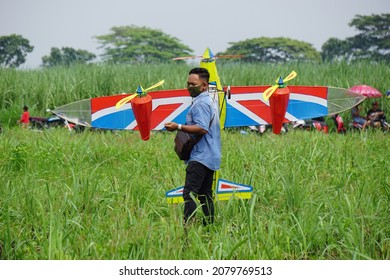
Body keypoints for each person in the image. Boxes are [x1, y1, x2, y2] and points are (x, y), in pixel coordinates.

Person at [165, 67, 221, 226]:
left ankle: (187, 228)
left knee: (188, 194)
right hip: (211, 156)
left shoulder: (201, 104)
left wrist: (178, 127)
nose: (189, 86)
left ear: (204, 86)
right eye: (188, 83)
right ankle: (209, 227)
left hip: (200, 157)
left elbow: (202, 128)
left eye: (193, 84)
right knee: (205, 195)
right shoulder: (210, 101)